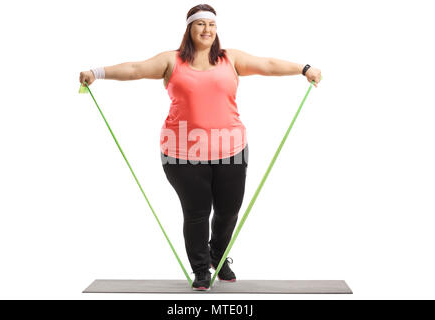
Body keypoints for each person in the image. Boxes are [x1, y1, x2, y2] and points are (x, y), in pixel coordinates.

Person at [79, 4, 322, 291]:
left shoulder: (230, 59)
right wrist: (96, 72)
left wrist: (303, 69)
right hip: (182, 151)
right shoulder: (172, 61)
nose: (206, 29)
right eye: (200, 24)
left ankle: (217, 253)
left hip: (231, 148)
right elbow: (135, 69)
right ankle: (200, 268)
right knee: (196, 212)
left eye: (211, 24)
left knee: (229, 209)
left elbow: (267, 65)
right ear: (189, 29)